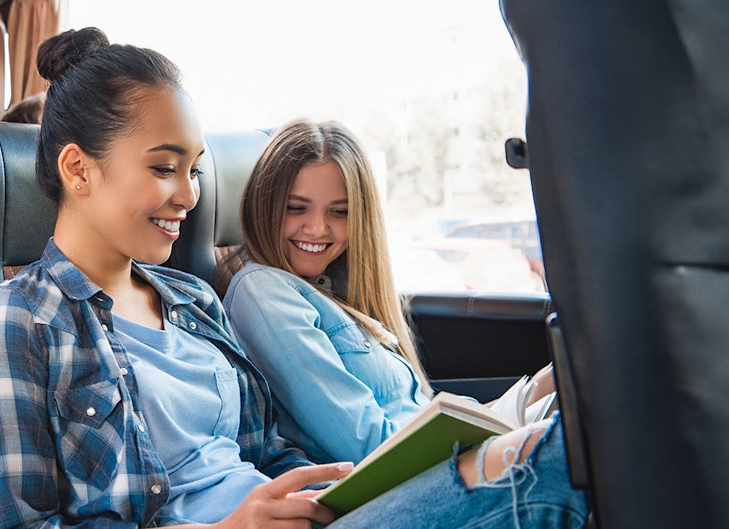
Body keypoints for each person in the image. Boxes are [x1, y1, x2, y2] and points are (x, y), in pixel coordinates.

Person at [0, 27, 624, 529]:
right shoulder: (21, 320)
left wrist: (340, 491)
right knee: (560, 463)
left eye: (194, 170)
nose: (188, 195)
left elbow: (265, 450)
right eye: (163, 168)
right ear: (78, 169)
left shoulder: (192, 299)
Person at [220, 119, 553, 465]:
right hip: (398, 482)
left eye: (340, 212)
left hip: (429, 463)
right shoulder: (261, 292)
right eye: (296, 207)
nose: (318, 228)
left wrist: (533, 395)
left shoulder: (334, 288)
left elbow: (419, 417)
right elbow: (370, 447)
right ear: (265, 204)